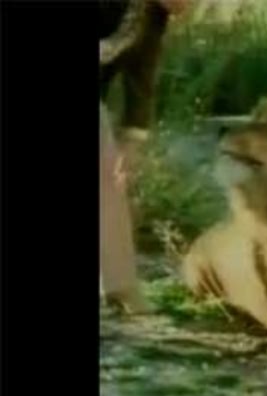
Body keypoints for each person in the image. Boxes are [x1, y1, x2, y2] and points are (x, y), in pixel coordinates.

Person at [99, 0, 191, 314]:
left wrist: (132, 140)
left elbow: (141, 77)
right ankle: (122, 290)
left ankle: (120, 290)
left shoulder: (153, 17)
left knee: (110, 178)